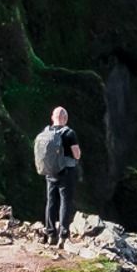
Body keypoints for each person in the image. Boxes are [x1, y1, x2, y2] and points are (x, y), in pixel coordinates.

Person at [33, 104, 83, 246]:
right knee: (65, 202)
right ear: (65, 118)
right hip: (66, 172)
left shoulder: (45, 132)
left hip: (50, 171)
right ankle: (63, 235)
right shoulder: (69, 133)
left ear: (52, 118)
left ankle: (50, 234)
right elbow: (76, 154)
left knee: (51, 201)